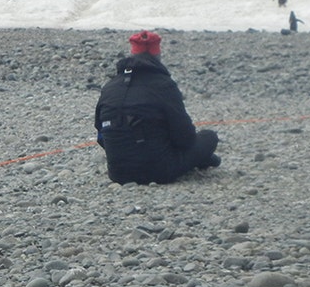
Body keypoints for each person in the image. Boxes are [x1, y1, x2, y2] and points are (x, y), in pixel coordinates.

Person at [94, 30, 222, 184]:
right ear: (158, 56)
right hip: (159, 172)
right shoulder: (163, 85)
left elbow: (101, 136)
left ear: (131, 53)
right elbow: (185, 138)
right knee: (209, 137)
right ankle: (203, 159)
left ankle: (202, 159)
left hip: (117, 173)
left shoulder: (110, 87)